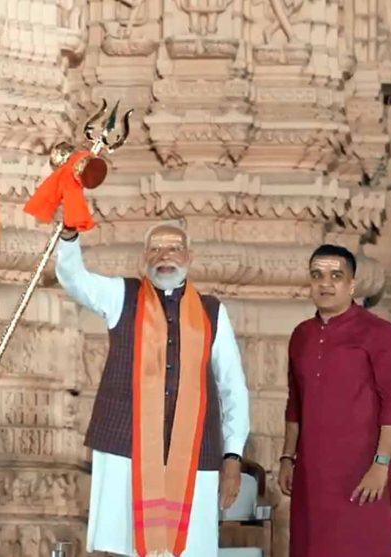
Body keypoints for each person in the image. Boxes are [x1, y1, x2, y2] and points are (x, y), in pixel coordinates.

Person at [55, 220, 250, 557]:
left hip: (195, 451)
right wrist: (69, 236)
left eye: (174, 248)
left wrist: (233, 455)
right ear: (143, 257)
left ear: (189, 256)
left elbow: (232, 385)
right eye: (156, 248)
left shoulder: (212, 311)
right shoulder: (122, 296)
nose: (165, 255)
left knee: (190, 549)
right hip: (126, 446)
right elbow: (75, 280)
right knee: (125, 547)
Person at [279, 244, 391, 557]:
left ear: (352, 285)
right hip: (311, 472)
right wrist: (287, 458)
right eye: (317, 275)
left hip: (361, 470)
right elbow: (295, 403)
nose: (325, 284)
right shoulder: (301, 335)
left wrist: (381, 464)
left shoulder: (380, 334)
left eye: (336, 276)